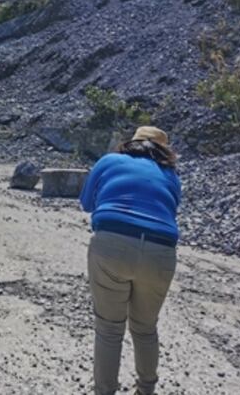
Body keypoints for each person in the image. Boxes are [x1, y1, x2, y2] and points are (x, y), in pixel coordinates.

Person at [79, 126, 182, 395]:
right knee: (145, 328)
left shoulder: (110, 161)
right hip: (161, 251)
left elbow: (86, 202)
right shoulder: (171, 175)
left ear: (132, 142)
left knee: (109, 329)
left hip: (111, 244)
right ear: (163, 150)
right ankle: (146, 389)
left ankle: (105, 391)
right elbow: (169, 210)